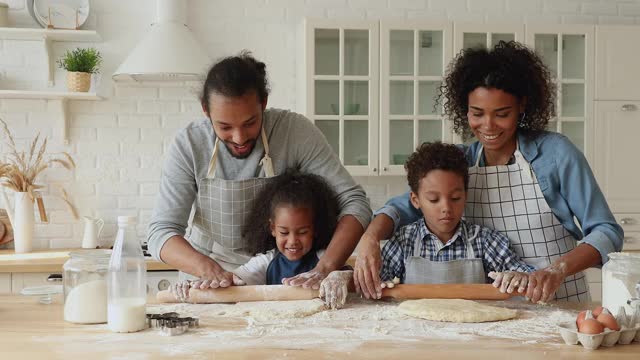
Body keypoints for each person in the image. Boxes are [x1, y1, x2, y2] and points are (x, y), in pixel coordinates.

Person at [355, 41, 623, 303]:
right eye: (477, 113)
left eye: (502, 113)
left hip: (559, 301)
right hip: (499, 311)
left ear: (522, 106)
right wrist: (370, 238)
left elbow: (606, 231)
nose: (488, 125)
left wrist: (556, 270)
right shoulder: (461, 162)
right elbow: (400, 208)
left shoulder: (555, 155)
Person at [148, 51, 371, 292]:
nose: (239, 137)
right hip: (211, 277)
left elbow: (355, 203)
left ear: (263, 103)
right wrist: (209, 270)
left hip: (282, 273)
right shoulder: (189, 144)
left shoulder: (294, 132)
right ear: (206, 110)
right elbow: (162, 232)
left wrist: (324, 268)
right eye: (224, 127)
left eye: (250, 122)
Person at [170, 170, 353, 309]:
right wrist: (199, 285)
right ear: (272, 229)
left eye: (302, 232)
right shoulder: (266, 262)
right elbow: (233, 281)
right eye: (284, 232)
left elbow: (350, 278)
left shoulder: (324, 259)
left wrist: (340, 276)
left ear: (315, 229)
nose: (292, 241)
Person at [380, 142, 535, 289]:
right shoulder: (402, 242)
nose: (446, 208)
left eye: (455, 198)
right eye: (434, 200)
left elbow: (524, 276)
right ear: (415, 200)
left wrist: (519, 277)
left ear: (465, 196)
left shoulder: (485, 241)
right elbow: (379, 283)